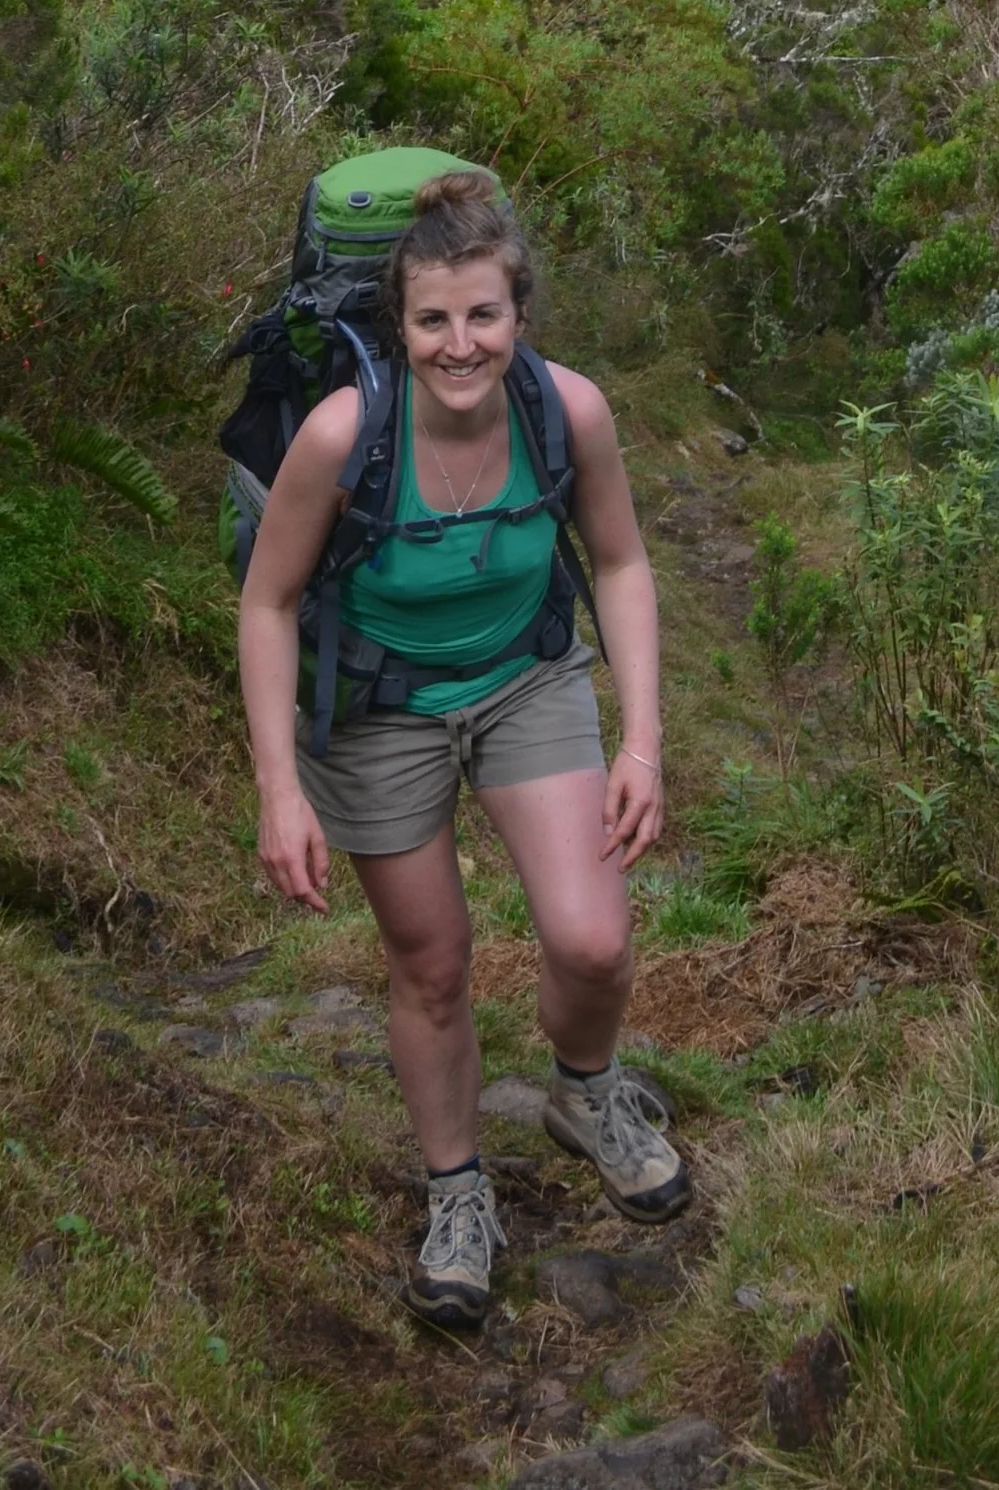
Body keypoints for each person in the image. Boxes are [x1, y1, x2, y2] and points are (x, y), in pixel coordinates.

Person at [239, 166, 684, 1328]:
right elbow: (267, 602)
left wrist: (639, 743)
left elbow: (624, 564)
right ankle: (457, 1192)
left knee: (592, 942)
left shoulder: (567, 411)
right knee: (431, 963)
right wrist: (279, 789)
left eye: (483, 315)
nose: (458, 343)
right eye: (432, 319)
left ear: (519, 314)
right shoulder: (346, 434)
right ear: (400, 322)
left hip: (522, 677)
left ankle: (583, 1095)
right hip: (377, 706)